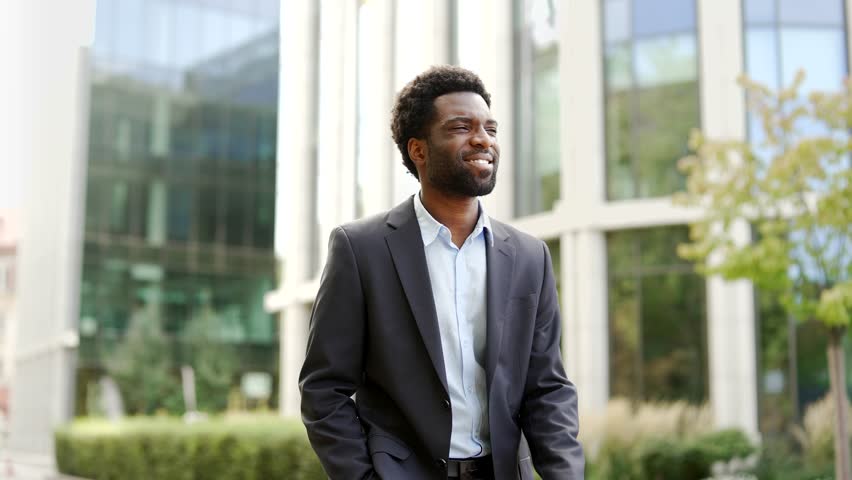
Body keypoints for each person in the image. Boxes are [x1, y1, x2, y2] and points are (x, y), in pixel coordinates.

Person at [299, 65, 584, 480]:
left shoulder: (529, 256)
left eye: (490, 128)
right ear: (418, 150)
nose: (483, 139)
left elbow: (547, 388)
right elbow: (324, 388)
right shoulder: (361, 249)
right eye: (461, 127)